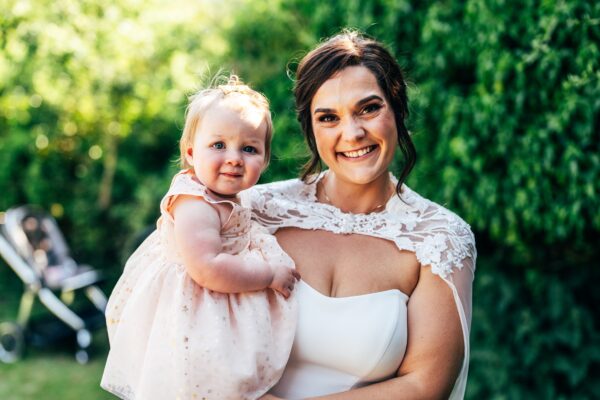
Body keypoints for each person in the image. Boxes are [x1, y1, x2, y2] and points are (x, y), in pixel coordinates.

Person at [244, 31, 476, 399]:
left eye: (369, 108)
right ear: (311, 130)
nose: (352, 133)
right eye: (328, 118)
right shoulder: (256, 211)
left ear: (397, 110)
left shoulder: (440, 237)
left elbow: (425, 385)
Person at [101, 76, 300, 400]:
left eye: (249, 149)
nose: (235, 157)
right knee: (202, 381)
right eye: (219, 145)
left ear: (264, 161)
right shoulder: (195, 204)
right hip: (192, 307)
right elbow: (207, 269)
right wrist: (268, 275)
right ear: (192, 154)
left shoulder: (230, 196)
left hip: (217, 295)